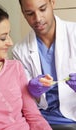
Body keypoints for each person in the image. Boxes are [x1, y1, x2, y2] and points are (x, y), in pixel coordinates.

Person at [12, 0, 76, 129]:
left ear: (52, 3)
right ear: (23, 13)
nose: (37, 19)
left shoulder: (74, 33)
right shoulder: (19, 51)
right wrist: (32, 91)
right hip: (42, 118)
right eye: (30, 13)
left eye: (42, 9)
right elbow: (26, 101)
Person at [0, 2, 52, 130]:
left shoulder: (15, 68)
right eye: (3, 38)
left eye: (9, 34)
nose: (11, 42)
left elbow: (33, 116)